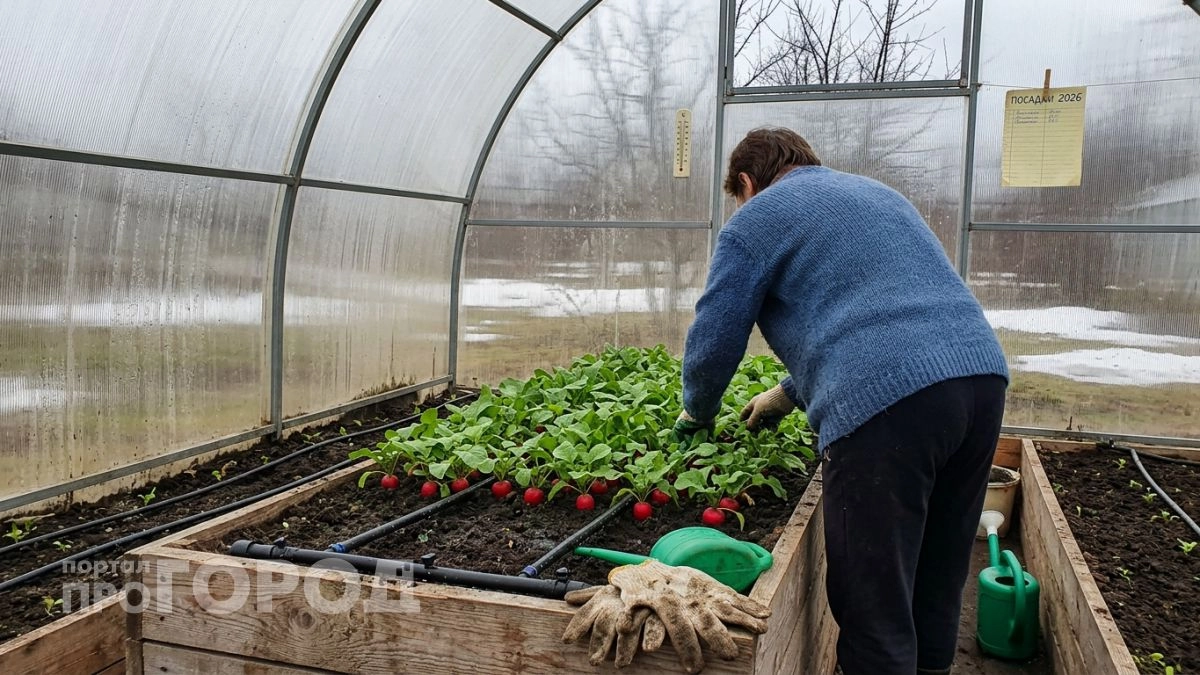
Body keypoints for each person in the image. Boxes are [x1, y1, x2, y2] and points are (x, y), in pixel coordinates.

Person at [673, 127, 1010, 675]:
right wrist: (784, 396)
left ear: (745, 182)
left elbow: (715, 337)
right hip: (979, 382)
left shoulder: (755, 219)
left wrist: (699, 409)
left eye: (738, 197)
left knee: (872, 602)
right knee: (938, 575)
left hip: (888, 410)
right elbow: (878, 314)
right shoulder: (878, 195)